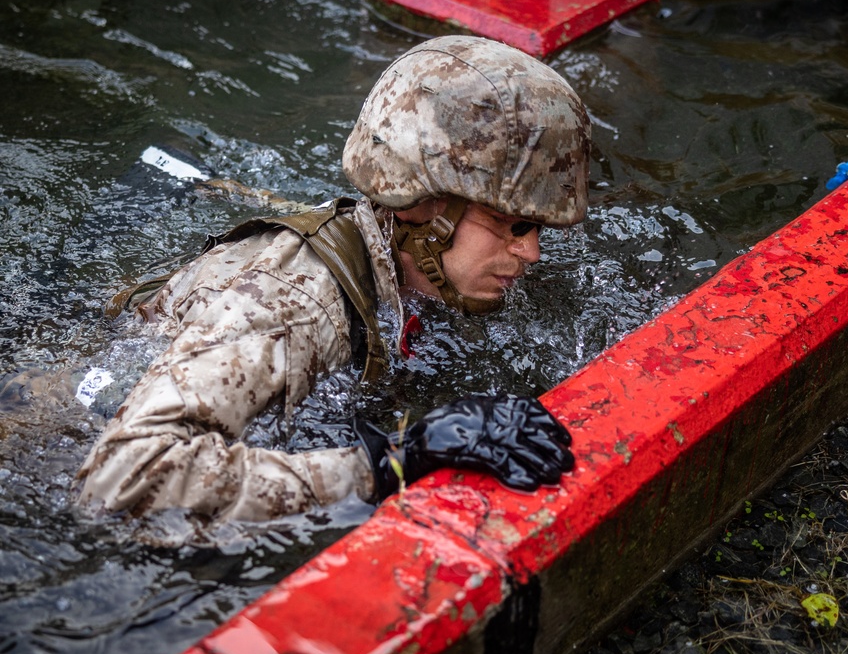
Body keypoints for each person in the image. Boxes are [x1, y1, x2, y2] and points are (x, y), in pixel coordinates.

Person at [74, 35, 591, 523]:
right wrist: (393, 462)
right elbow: (120, 478)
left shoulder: (397, 256)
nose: (532, 252)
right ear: (426, 210)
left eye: (538, 228)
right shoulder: (293, 304)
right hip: (57, 443)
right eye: (512, 225)